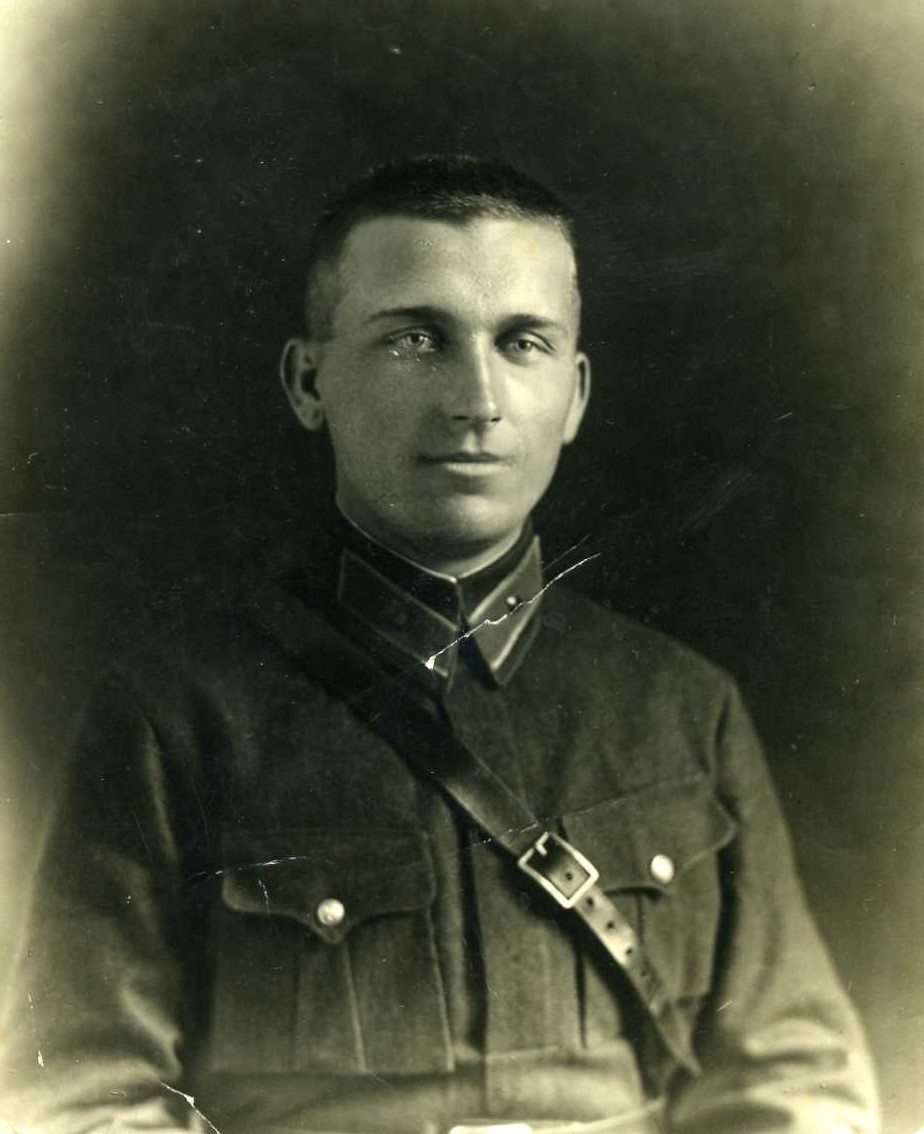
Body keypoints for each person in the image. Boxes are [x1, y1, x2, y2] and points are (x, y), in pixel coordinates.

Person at [0, 154, 879, 1134]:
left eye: (523, 343)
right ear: (308, 381)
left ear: (576, 394)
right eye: (416, 339)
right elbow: (76, 1098)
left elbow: (796, 1082)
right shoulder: (176, 719)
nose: (477, 401)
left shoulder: (684, 710)